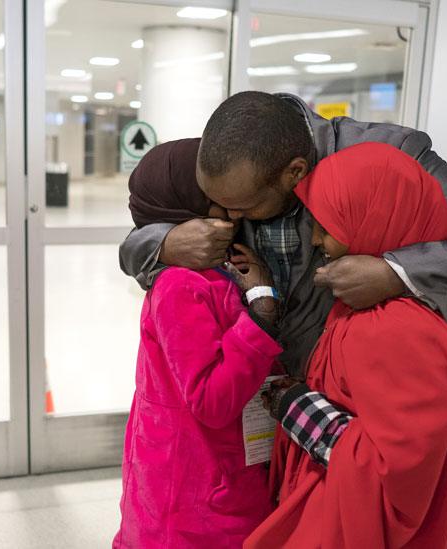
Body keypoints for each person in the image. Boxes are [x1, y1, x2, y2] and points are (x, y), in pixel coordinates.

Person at [119, 91, 447, 378]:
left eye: (244, 209)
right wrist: (166, 243)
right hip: (253, 391)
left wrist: (394, 273)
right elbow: (135, 242)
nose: (226, 219)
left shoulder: (387, 155)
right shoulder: (231, 159)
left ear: (295, 172)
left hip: (354, 395)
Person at [246, 142, 447, 548]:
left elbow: (395, 469)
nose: (316, 239)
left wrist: (296, 406)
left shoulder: (394, 326)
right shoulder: (437, 299)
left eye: (328, 225)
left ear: (376, 219)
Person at [114, 139, 284, 548]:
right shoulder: (179, 284)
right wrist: (260, 315)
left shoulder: (217, 270)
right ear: (186, 206)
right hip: (193, 494)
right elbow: (211, 399)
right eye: (216, 197)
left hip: (217, 474)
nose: (232, 207)